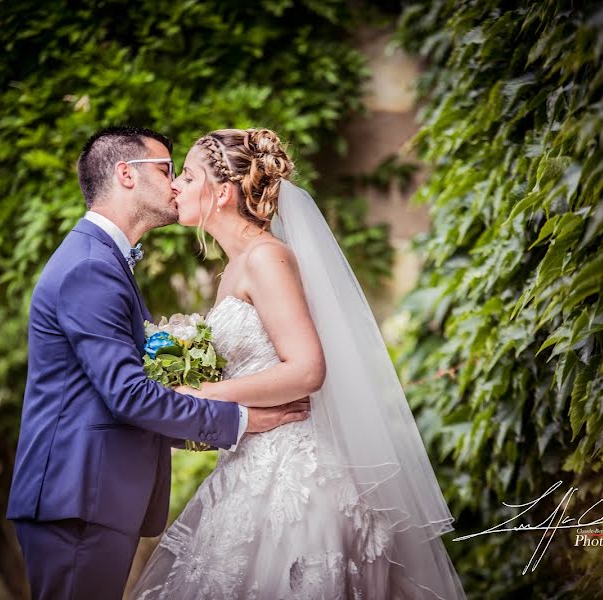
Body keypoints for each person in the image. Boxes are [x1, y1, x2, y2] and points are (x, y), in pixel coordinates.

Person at [130, 128, 468, 599]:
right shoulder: (236, 266)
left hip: (294, 480)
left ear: (223, 193)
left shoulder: (267, 258)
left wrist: (202, 394)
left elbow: (307, 370)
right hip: (251, 459)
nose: (175, 187)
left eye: (187, 176)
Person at [6, 126, 311, 600]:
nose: (175, 184)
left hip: (92, 496)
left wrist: (209, 413)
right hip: (78, 498)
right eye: (168, 170)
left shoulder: (105, 260)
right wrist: (242, 420)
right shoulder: (91, 265)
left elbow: (116, 396)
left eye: (181, 174)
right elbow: (128, 395)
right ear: (125, 174)